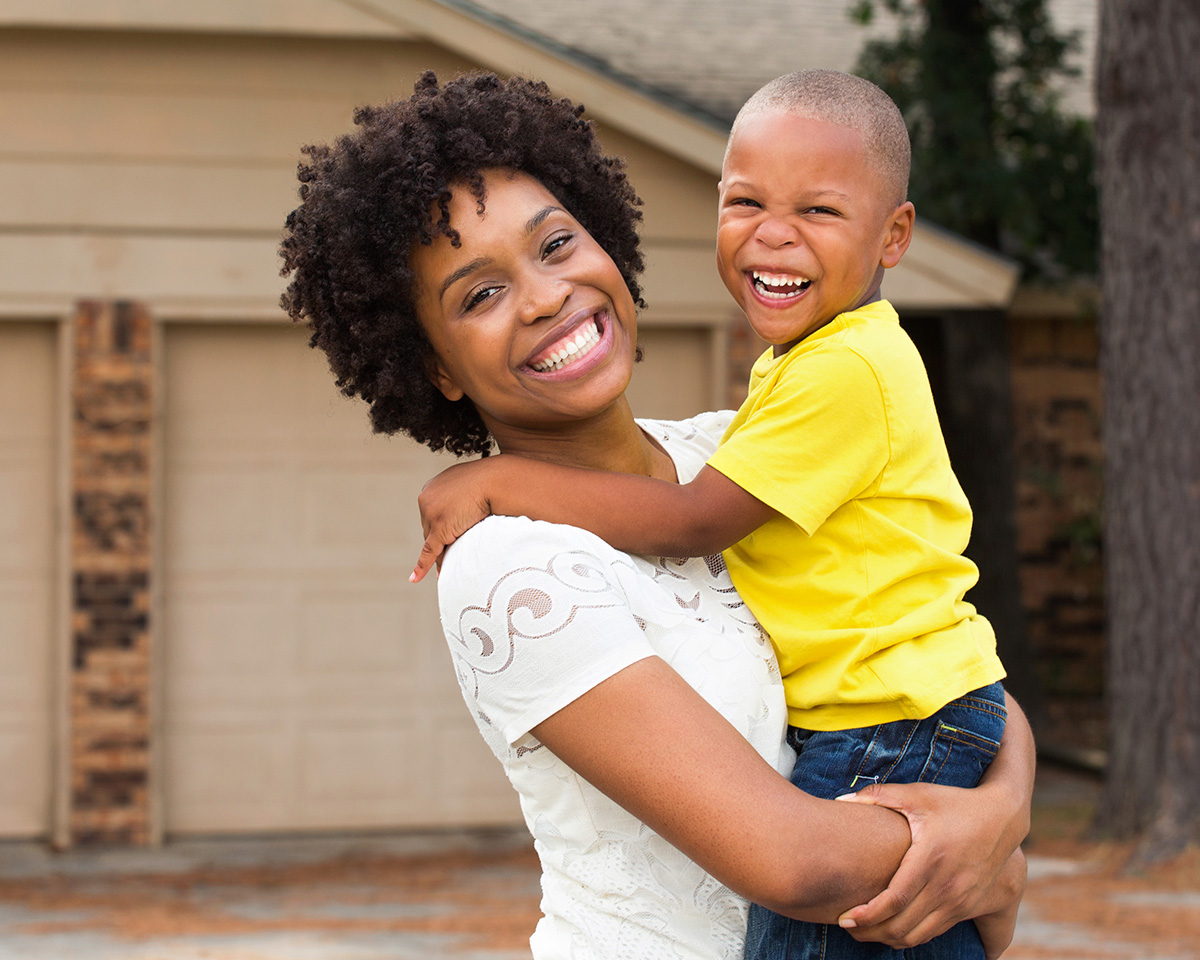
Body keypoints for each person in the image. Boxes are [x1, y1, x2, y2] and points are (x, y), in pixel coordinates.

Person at [281, 71, 1032, 960]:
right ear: (434, 366)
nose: (546, 296)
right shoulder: (507, 568)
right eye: (479, 296)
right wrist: (981, 855)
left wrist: (1003, 811)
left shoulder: (729, 453)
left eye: (556, 244)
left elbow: (937, 638)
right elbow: (793, 862)